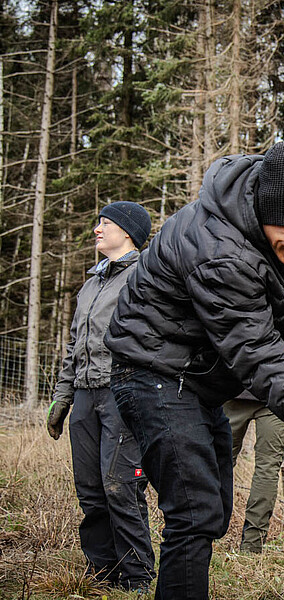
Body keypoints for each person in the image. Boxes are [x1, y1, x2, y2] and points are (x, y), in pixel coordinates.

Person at [104, 142, 284, 600]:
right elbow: (257, 351)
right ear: (273, 212)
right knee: (194, 513)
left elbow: (276, 298)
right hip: (153, 375)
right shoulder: (219, 248)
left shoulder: (262, 226)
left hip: (196, 381)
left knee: (212, 509)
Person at [46, 201, 155, 592]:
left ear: (128, 232)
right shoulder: (91, 284)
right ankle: (103, 573)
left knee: (119, 485)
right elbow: (76, 343)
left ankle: (138, 577)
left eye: (105, 223)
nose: (97, 228)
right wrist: (63, 397)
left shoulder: (144, 275)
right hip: (85, 397)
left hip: (123, 393)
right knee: (91, 490)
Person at [224, 389, 284, 552]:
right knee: (267, 468)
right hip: (277, 390)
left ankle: (203, 531)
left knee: (219, 462)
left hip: (234, 389)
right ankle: (252, 544)